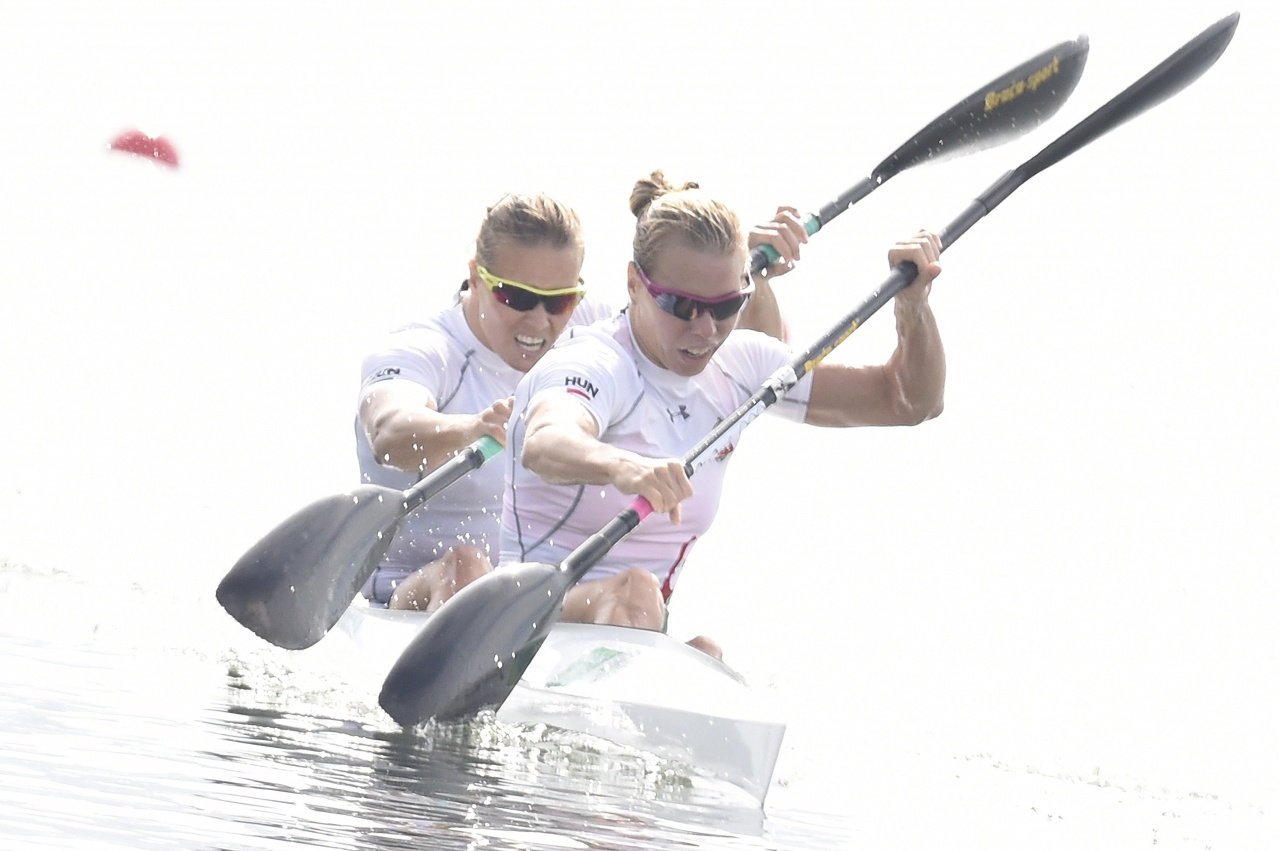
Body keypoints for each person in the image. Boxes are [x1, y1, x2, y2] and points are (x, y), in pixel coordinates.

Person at [500, 171, 945, 655]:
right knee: (637, 593)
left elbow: (908, 399)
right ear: (634, 284)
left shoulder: (744, 364)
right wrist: (626, 467)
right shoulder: (597, 362)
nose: (706, 330)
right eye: (682, 306)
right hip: (522, 622)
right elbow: (545, 442)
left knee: (707, 652)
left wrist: (913, 305)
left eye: (727, 306)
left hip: (632, 626)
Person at [355, 189, 808, 610]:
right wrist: (472, 429)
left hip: (520, 602)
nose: (539, 322)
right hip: (408, 592)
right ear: (475, 276)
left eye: (559, 301)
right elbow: (390, 432)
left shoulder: (590, 332)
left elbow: (731, 361)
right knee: (466, 566)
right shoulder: (425, 350)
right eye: (516, 297)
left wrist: (746, 278)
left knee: (657, 612)